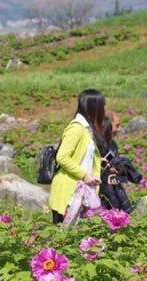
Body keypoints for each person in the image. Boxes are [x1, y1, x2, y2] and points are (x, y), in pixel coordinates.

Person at [49, 89, 104, 224]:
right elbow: (62, 157)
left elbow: (81, 155)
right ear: (94, 108)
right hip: (69, 191)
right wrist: (84, 175)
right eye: (102, 106)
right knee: (64, 233)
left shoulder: (86, 129)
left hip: (81, 191)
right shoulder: (77, 128)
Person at [99, 113, 141, 212]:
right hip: (100, 190)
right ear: (108, 125)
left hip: (115, 189)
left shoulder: (113, 144)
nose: (119, 129)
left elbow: (119, 172)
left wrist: (119, 171)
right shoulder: (96, 143)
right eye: (117, 125)